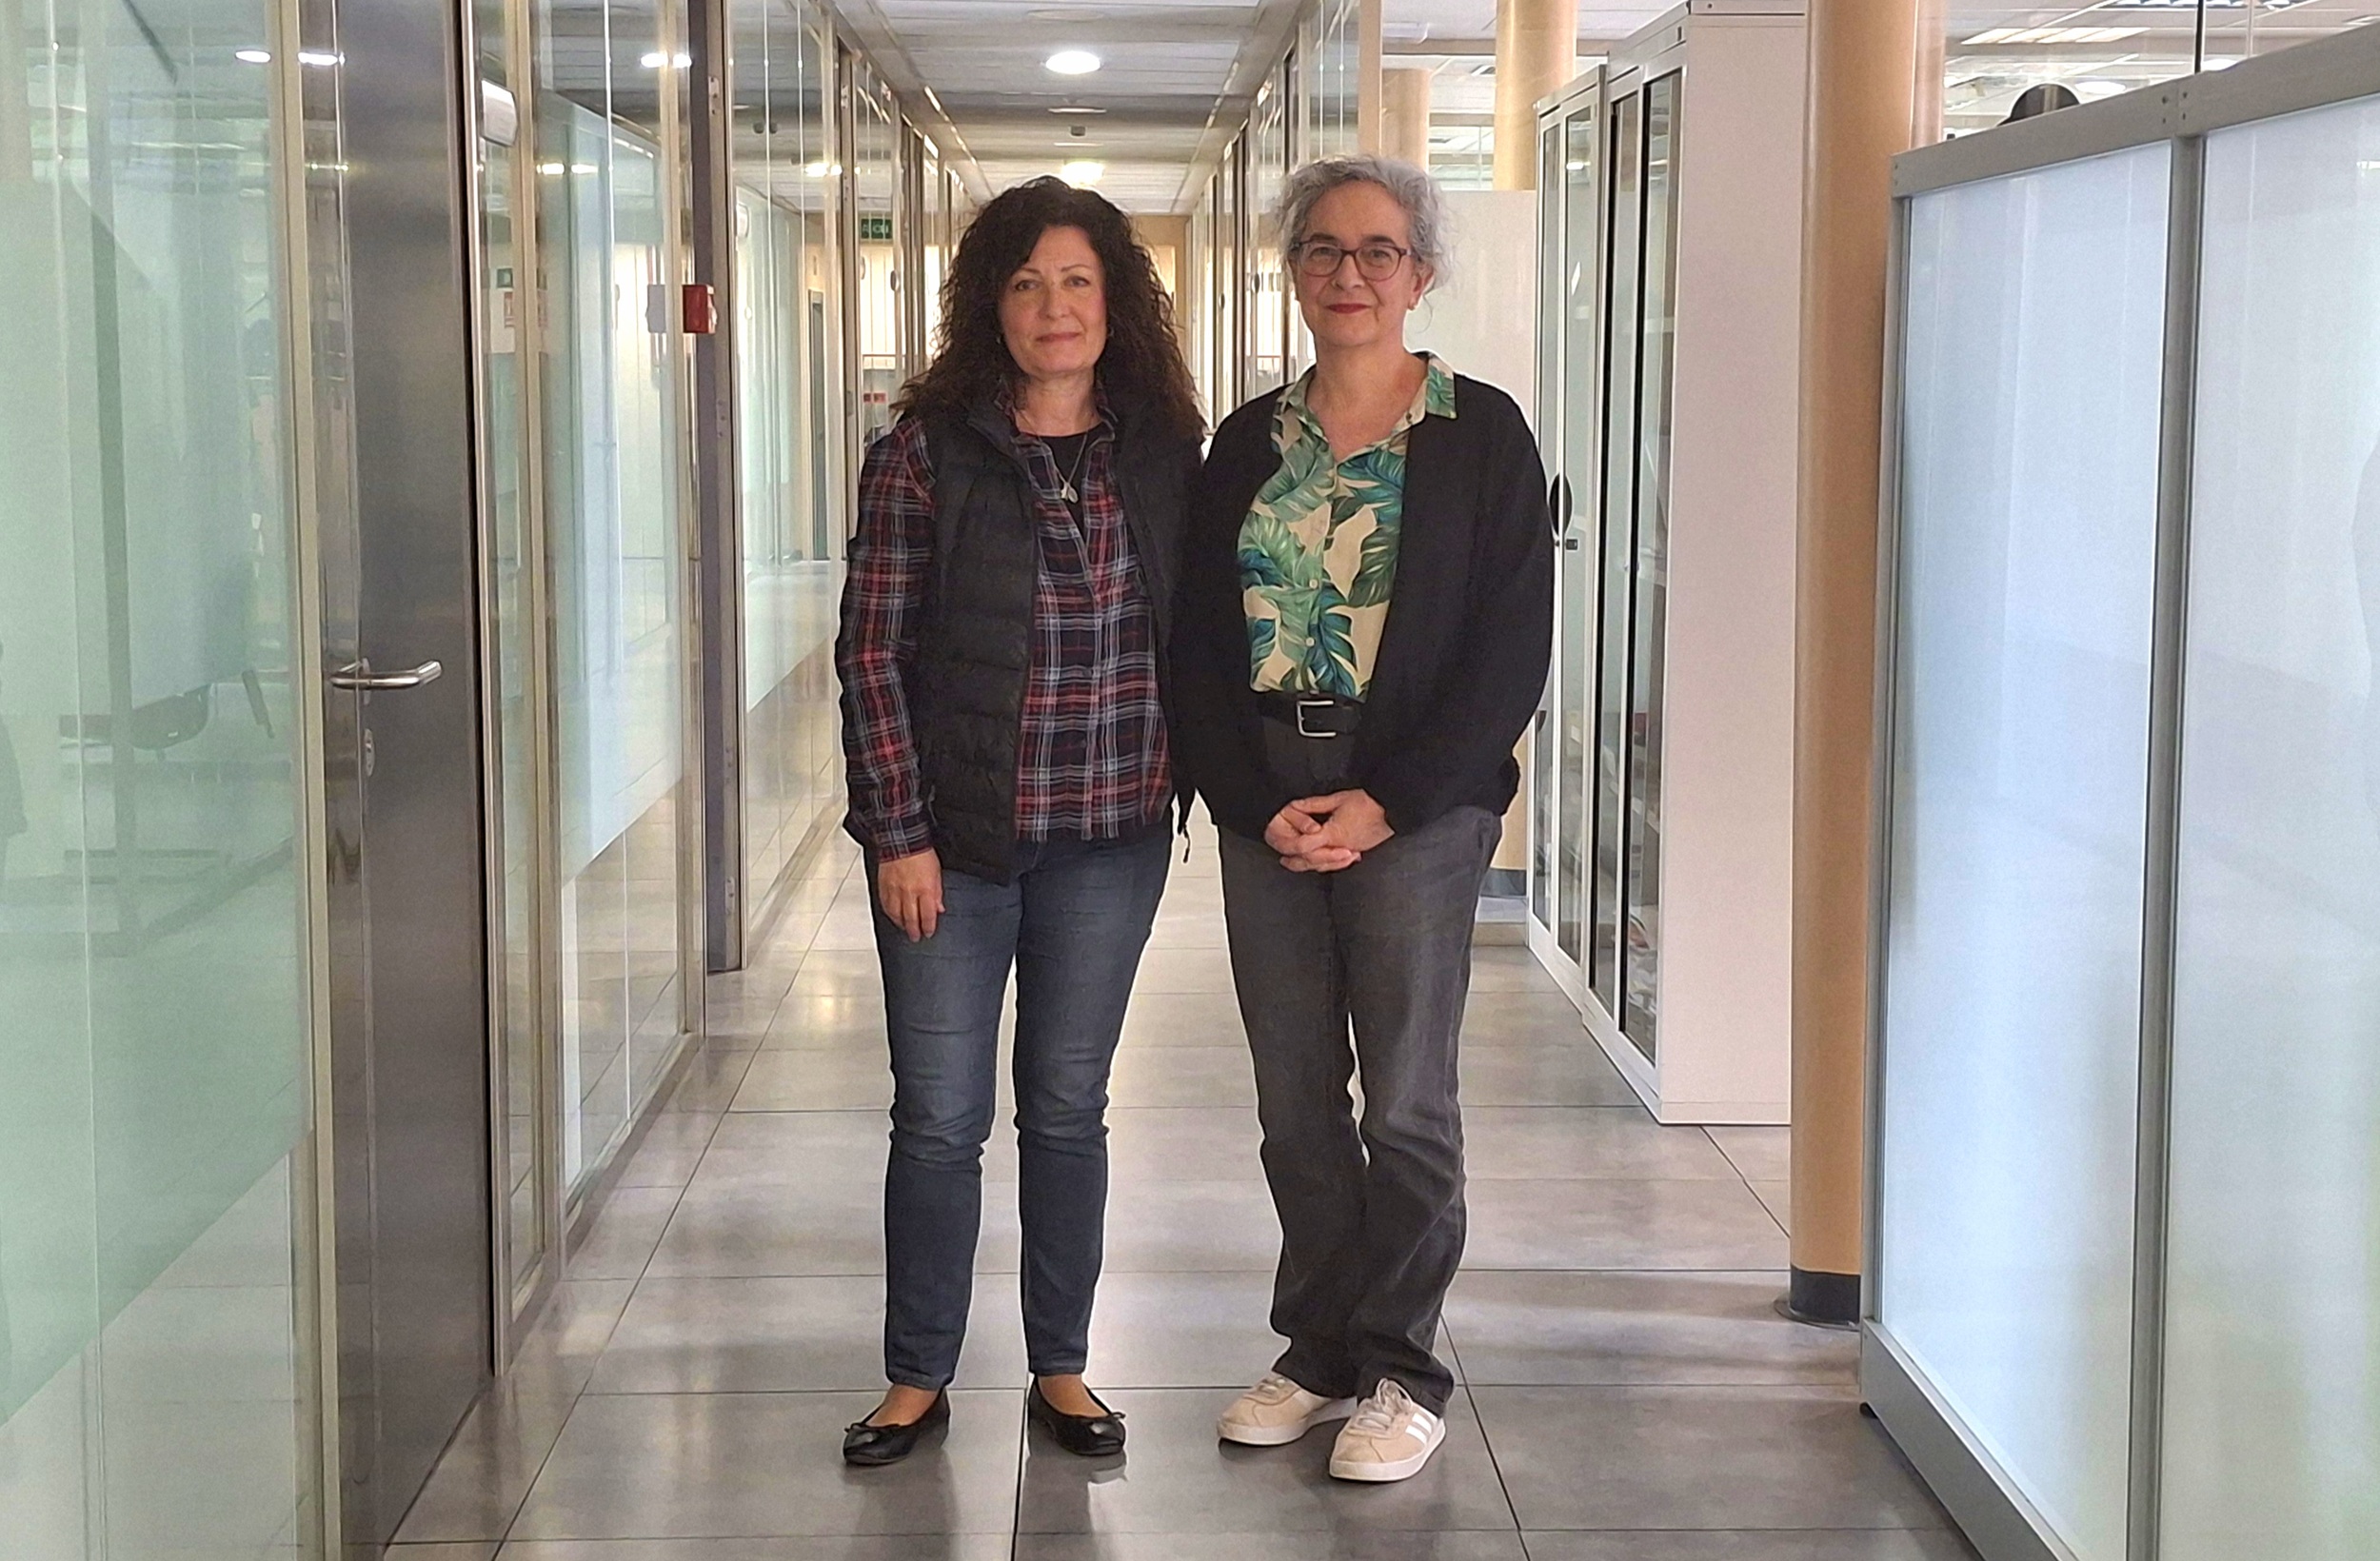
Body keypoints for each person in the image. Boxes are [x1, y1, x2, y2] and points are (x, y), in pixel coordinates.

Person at [1173, 155, 1553, 1484]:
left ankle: (1401, 1367)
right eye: (1324, 251)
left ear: (1420, 274)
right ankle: (1319, 1350)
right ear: (1294, 272)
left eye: (1378, 251)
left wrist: (1389, 801)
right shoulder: (1246, 443)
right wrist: (1252, 803)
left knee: (1404, 1102)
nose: (1350, 274)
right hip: (1268, 802)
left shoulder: (1481, 433)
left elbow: (1511, 648)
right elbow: (1195, 646)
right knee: (1293, 1103)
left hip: (1418, 806)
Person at [834, 176, 1204, 1466]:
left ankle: (1062, 1367)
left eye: (1078, 281)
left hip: (1111, 836)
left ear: (1116, 301)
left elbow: (1202, 637)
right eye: (1029, 283)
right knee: (939, 1118)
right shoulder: (924, 451)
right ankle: (917, 1375)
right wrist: (898, 831)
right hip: (955, 848)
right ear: (990, 304)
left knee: (1065, 1107)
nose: (1056, 306)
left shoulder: (1164, 452)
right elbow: (872, 652)